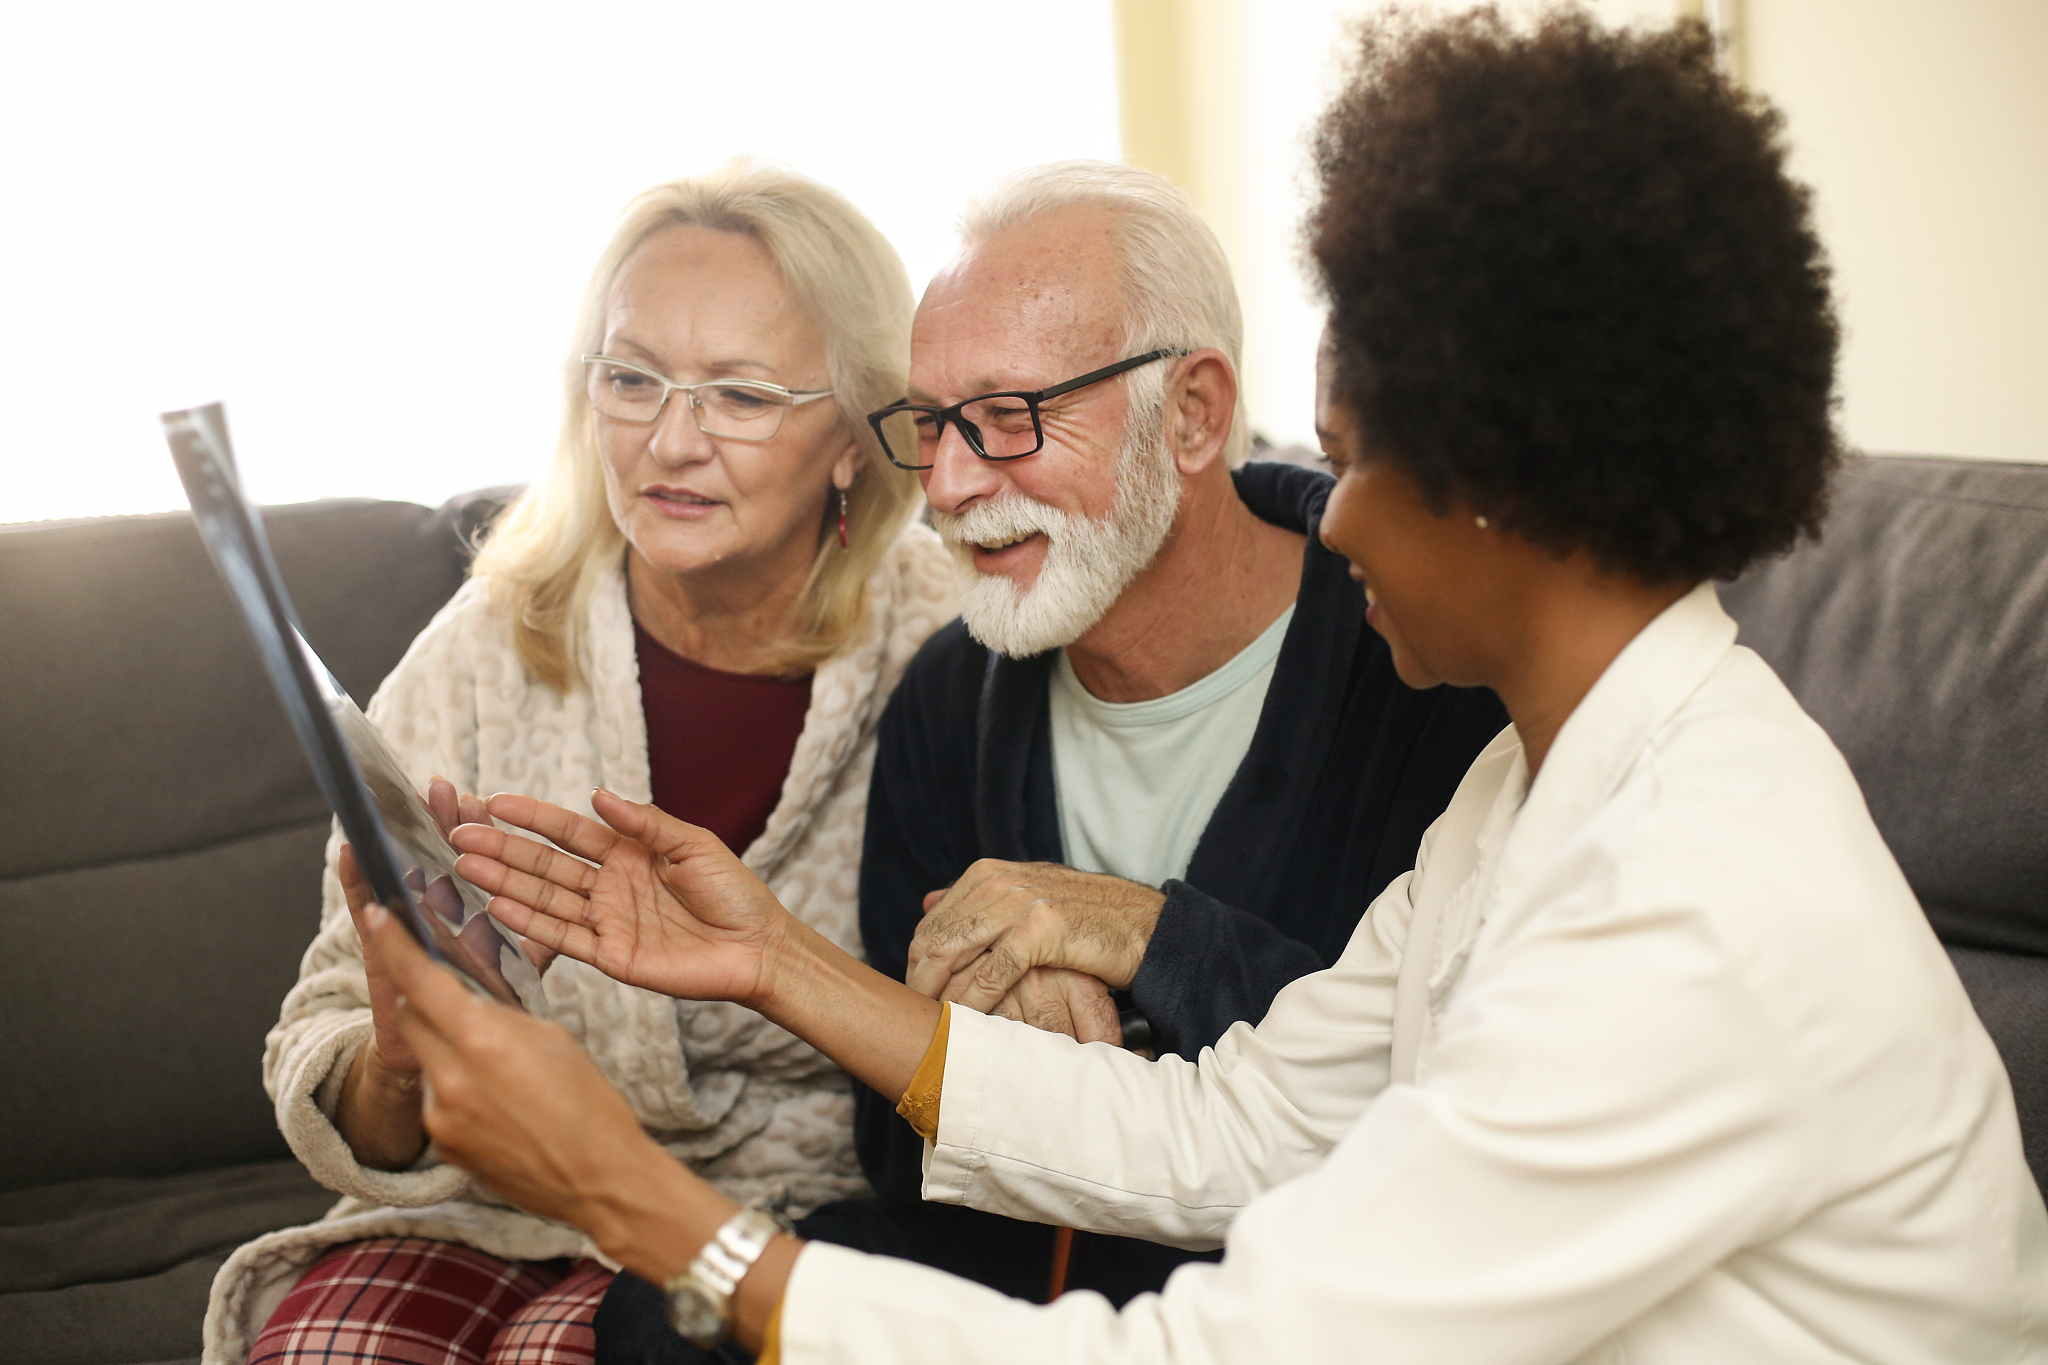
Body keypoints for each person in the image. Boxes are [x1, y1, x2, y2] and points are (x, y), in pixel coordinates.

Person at [370, 10, 2048, 1363]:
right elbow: (1229, 1129)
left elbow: (1226, 1349)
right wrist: (776, 960)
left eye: (1354, 464)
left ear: (1513, 484)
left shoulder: (1695, 903)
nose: (1336, 520)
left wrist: (635, 1196)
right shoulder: (1542, 788)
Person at [200, 161, 957, 1365]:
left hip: (767, 1215)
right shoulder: (492, 644)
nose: (670, 439)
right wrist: (401, 1065)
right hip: (481, 1197)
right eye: (631, 378)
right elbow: (329, 1033)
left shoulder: (947, 649)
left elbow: (977, 1063)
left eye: (741, 395)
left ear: (858, 439)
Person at [840, 159, 1505, 1306]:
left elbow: (1415, 1106)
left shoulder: (1432, 674)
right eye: (931, 423)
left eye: (1005, 417)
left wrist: (1151, 943)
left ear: (1192, 412)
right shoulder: (944, 708)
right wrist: (983, 1024)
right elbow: (894, 1157)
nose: (947, 483)